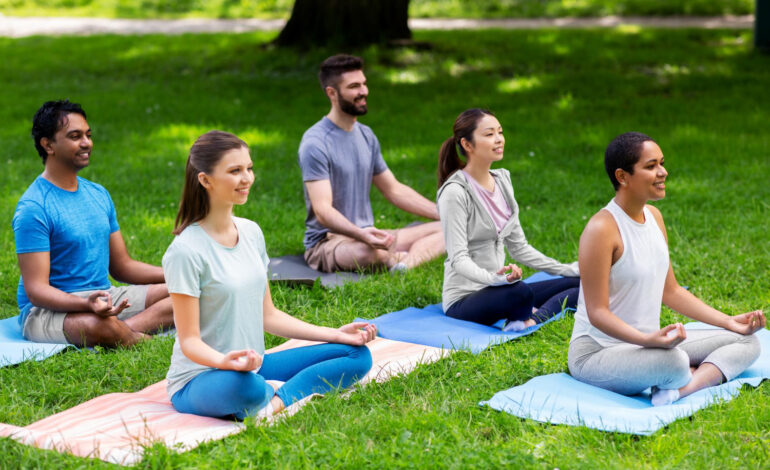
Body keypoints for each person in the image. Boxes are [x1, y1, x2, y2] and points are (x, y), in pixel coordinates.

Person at [163, 130, 376, 419]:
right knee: (245, 387)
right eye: (235, 171)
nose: (247, 178)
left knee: (356, 355)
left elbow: (269, 316)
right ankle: (262, 396)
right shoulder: (185, 251)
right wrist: (225, 362)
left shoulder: (251, 232)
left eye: (249, 168)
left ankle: (276, 402)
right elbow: (189, 342)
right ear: (205, 180)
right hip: (203, 376)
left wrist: (336, 334)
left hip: (253, 366)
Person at [569, 132, 764, 406]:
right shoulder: (601, 229)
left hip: (649, 345)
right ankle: (686, 374)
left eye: (661, 163)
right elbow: (597, 312)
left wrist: (728, 321)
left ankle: (680, 391)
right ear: (623, 177)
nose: (663, 172)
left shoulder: (655, 217)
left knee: (748, 342)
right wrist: (647, 339)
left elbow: (670, 291)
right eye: (651, 166)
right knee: (675, 362)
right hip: (598, 352)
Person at [12, 99, 173, 347]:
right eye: (75, 136)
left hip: (102, 297)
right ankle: (132, 337)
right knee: (95, 326)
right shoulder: (33, 208)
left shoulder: (98, 194)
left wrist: (177, 275)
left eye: (88, 135)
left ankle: (121, 330)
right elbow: (37, 291)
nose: (87, 143)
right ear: (48, 145)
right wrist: (85, 305)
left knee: (186, 293)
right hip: (47, 311)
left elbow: (123, 267)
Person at [299, 54, 445, 273]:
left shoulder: (366, 135)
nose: (364, 91)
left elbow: (394, 190)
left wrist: (443, 212)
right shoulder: (316, 142)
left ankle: (404, 264)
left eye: (364, 84)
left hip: (370, 234)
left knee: (452, 227)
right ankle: (399, 256)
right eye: (354, 86)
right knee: (373, 253)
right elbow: (322, 211)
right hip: (330, 242)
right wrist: (361, 235)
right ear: (332, 93)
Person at [436, 109, 580, 331]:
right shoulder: (455, 192)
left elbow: (520, 248)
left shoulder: (503, 180)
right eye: (489, 134)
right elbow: (458, 259)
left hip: (500, 288)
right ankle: (529, 313)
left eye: (500, 132)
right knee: (520, 292)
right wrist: (494, 279)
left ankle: (530, 318)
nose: (499, 139)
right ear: (467, 144)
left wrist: (567, 269)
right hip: (465, 298)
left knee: (579, 283)